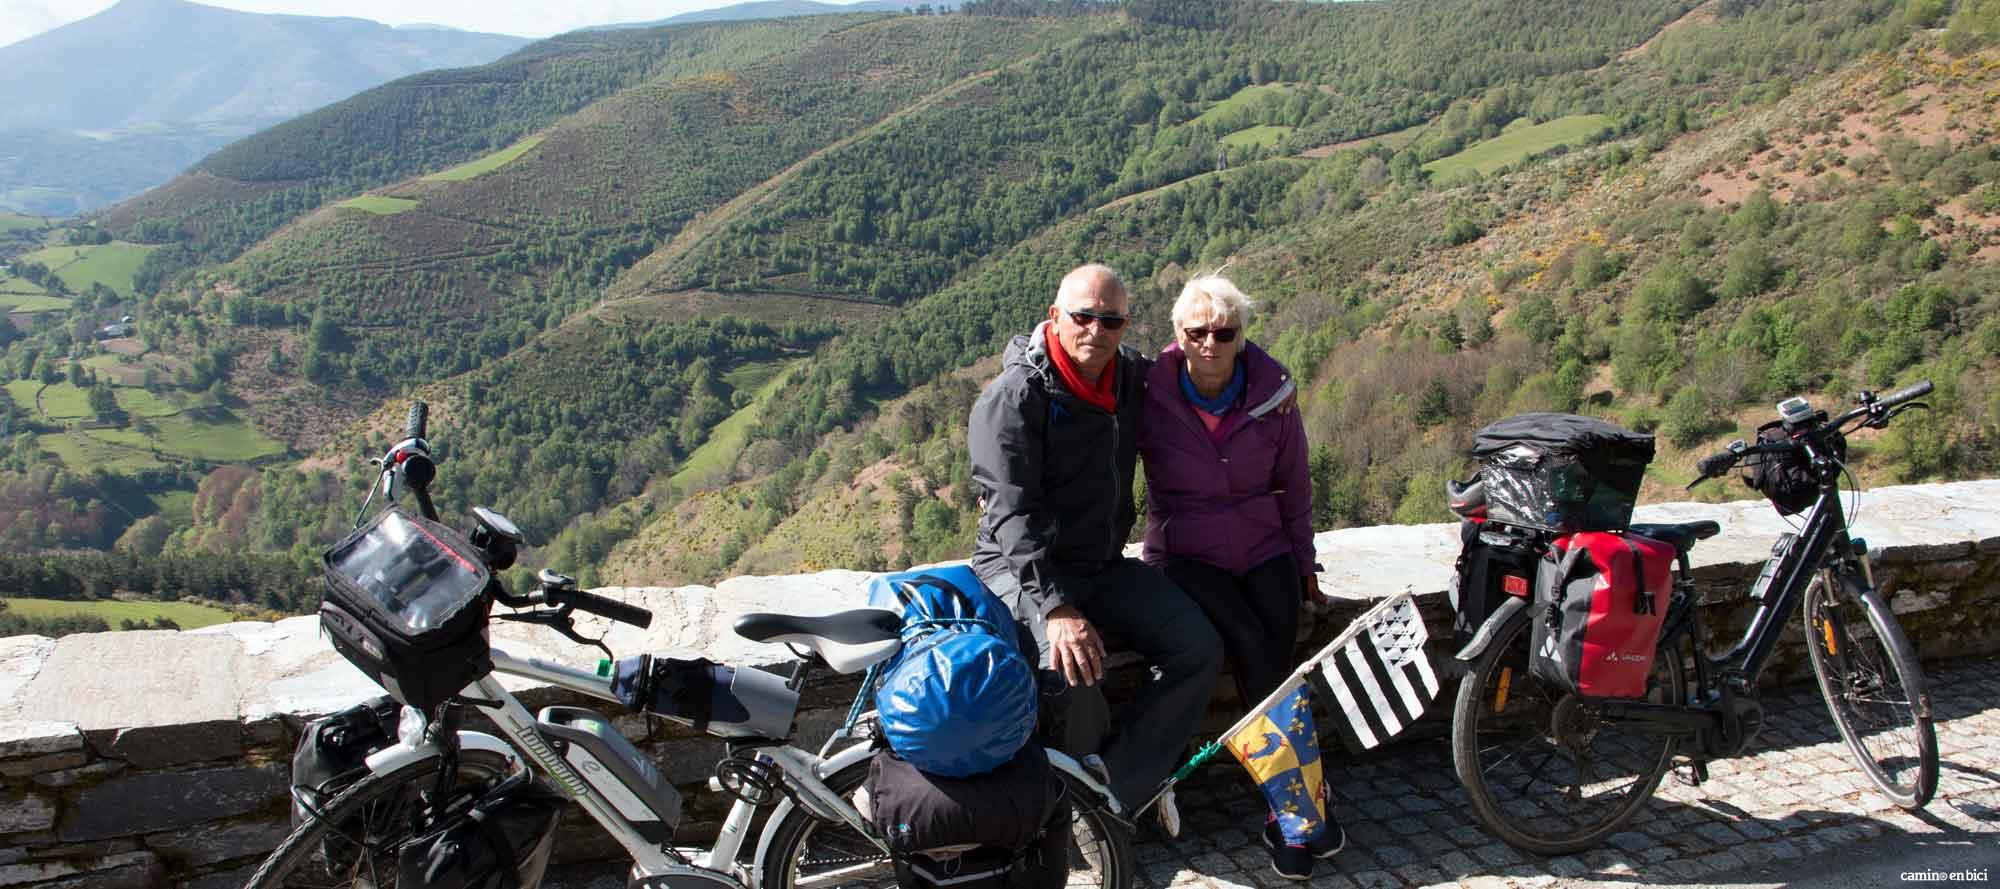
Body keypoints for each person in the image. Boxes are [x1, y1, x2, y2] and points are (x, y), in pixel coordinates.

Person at [968, 263, 1222, 836]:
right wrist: (1055, 608)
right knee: (1074, 671)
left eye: (1111, 320)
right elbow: (1010, 515)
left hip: (1102, 564)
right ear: (1055, 317)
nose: (1095, 330)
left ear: (1125, 324)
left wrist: (1276, 394)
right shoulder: (1014, 398)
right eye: (1083, 316)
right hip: (1021, 569)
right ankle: (1081, 820)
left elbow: (1212, 372)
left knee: (1197, 646)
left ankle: (1116, 789)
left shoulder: (1132, 376)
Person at [1137, 274, 1341, 879]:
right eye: (1196, 332)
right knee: (1252, 646)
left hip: (1264, 543)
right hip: (1185, 551)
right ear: (1176, 333)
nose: (1209, 343)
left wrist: (1303, 563)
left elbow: (1295, 484)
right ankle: (1298, 814)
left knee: (1279, 656)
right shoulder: (1148, 391)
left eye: (1223, 332)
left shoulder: (1274, 391)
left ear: (1241, 335)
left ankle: (1296, 805)